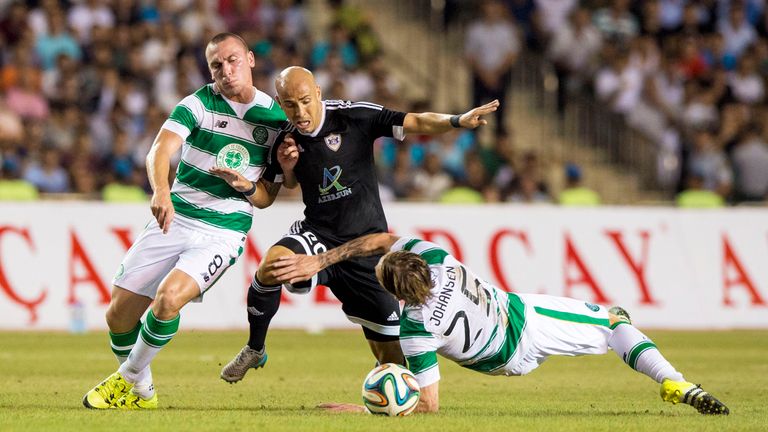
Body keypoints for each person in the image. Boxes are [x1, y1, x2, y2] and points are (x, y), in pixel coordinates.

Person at [219, 66, 500, 383]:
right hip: (319, 234)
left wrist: (457, 120)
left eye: (305, 101)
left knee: (394, 364)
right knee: (272, 266)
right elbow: (281, 190)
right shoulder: (284, 139)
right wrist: (281, 170)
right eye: (290, 105)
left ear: (318, 93)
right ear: (280, 103)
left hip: (367, 249)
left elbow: (416, 121)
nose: (300, 112)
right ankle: (255, 348)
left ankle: (379, 398)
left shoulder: (354, 116)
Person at [267, 233, 730, 415]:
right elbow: (387, 239)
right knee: (615, 321)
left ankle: (673, 382)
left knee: (612, 322)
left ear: (396, 294)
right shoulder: (437, 257)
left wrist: (361, 409)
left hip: (505, 362)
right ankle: (674, 382)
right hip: (525, 319)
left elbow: (427, 405)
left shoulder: (415, 330)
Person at [82, 32, 290, 410]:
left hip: (222, 230)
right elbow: (159, 150)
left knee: (168, 299)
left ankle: (124, 379)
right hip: (176, 216)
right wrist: (161, 191)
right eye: (216, 65)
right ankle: (143, 393)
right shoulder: (199, 103)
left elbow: (266, 197)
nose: (226, 70)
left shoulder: (276, 121)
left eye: (233, 60)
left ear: (250, 59)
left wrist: (245, 186)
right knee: (118, 316)